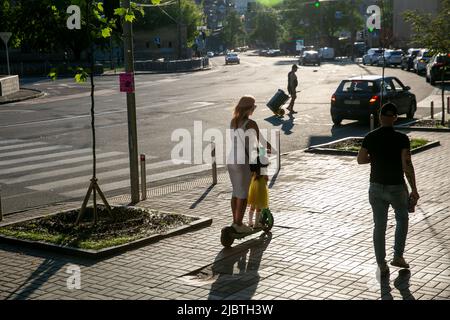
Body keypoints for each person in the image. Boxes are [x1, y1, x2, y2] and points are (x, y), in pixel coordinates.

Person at [357, 103, 420, 276]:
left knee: (379, 226)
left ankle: (382, 264)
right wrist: (414, 188)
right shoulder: (402, 138)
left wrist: (375, 158)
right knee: (402, 218)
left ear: (379, 117)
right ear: (395, 118)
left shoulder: (370, 137)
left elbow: (361, 160)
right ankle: (398, 256)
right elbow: (406, 165)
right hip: (396, 188)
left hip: (376, 187)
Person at [227, 95, 271, 233]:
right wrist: (268, 148)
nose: (254, 109)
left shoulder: (233, 121)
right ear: (249, 108)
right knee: (243, 195)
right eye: (254, 107)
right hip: (242, 162)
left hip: (231, 159)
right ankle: (239, 224)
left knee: (235, 192)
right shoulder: (251, 123)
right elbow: (261, 142)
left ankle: (235, 222)